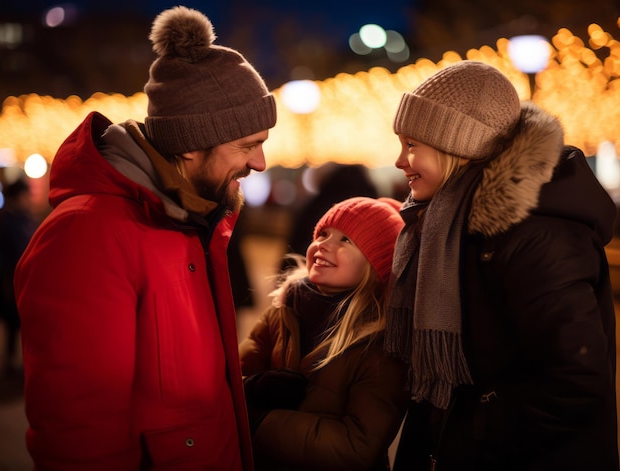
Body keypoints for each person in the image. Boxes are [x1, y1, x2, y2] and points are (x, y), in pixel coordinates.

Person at [13, 6, 276, 471]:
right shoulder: (88, 235)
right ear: (192, 143)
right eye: (246, 145)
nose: (260, 162)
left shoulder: (187, 217)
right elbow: (79, 435)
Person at [384, 60, 619, 471]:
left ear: (458, 145)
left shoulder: (537, 236)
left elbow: (576, 383)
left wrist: (474, 437)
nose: (400, 160)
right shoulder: (448, 225)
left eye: (412, 145)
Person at [239, 196, 409, 470]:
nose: (324, 245)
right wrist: (252, 388)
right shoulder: (284, 309)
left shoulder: (380, 344)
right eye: (324, 234)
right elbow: (235, 376)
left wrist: (259, 420)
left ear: (376, 266)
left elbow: (357, 447)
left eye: (346, 241)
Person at [0, 178, 37, 377]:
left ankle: (16, 362)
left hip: (22, 279)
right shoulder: (9, 222)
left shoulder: (25, 220)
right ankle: (12, 363)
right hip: (11, 280)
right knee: (14, 323)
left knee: (19, 324)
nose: (28, 199)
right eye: (25, 195)